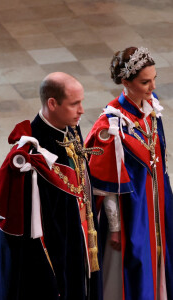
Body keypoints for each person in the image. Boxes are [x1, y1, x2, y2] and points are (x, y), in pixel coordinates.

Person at [0, 72, 103, 300]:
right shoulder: (30, 153)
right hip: (51, 258)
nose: (82, 110)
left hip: (78, 239)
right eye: (75, 103)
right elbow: (25, 231)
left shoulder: (69, 127)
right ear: (52, 103)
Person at [85, 47, 173, 300]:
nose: (152, 87)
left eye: (154, 79)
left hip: (155, 204)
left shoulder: (151, 111)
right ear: (126, 82)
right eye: (145, 82)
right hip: (131, 214)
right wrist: (115, 228)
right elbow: (106, 186)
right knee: (132, 268)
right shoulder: (111, 126)